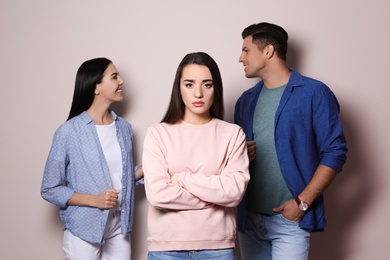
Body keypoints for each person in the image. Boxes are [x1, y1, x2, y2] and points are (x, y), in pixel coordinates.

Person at [234, 22, 348, 259]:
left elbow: (335, 152)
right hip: (249, 220)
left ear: (268, 51)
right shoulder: (245, 101)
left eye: (246, 50)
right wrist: (237, 154)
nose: (240, 58)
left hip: (290, 222)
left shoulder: (315, 93)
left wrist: (302, 203)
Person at [142, 52, 250, 260]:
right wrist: (214, 198)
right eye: (189, 84)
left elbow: (234, 192)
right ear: (179, 88)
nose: (198, 93)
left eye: (207, 85)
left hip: (217, 249)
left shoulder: (233, 134)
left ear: (216, 88)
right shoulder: (158, 133)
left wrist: (182, 179)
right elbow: (157, 194)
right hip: (166, 249)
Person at [41, 57, 143, 260]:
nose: (121, 81)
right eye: (114, 77)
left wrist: (152, 164)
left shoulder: (124, 128)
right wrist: (94, 200)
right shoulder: (68, 132)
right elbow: (49, 188)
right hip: (84, 227)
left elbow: (121, 178)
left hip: (120, 224)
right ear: (96, 87)